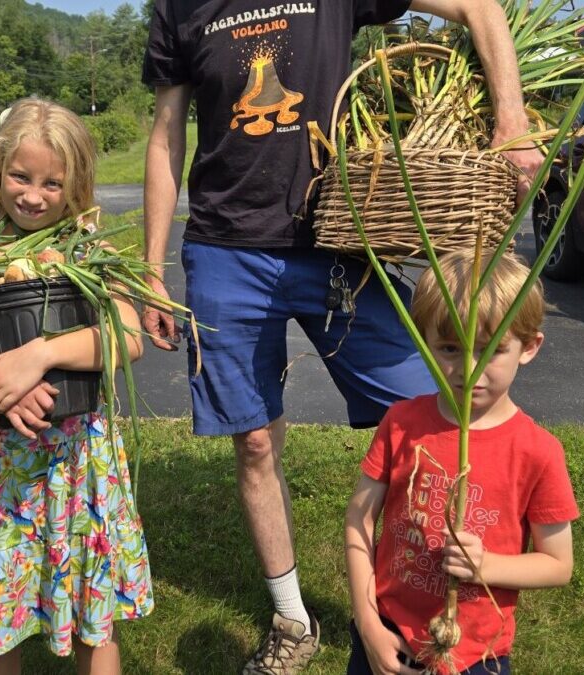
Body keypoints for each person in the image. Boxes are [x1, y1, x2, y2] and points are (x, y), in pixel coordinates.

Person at [142, 1, 543, 672]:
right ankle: (293, 618)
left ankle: (425, 597)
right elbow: (164, 134)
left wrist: (512, 119)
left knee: (432, 408)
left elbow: (477, 5)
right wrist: (151, 269)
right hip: (225, 248)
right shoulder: (179, 7)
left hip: (336, 232)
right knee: (256, 438)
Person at [0, 98, 153, 674]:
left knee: (91, 610)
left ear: (76, 184)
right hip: (0, 473)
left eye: (52, 183)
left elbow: (126, 338)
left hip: (78, 464)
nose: (33, 195)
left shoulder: (89, 252)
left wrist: (41, 355)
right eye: (19, 177)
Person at [345, 251, 579, 674]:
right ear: (423, 341)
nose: (467, 369)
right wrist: (367, 625)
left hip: (477, 655)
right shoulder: (401, 424)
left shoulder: (538, 451)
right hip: (387, 633)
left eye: (491, 350)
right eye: (450, 348)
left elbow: (558, 564)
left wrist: (486, 566)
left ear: (528, 347)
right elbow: (358, 522)